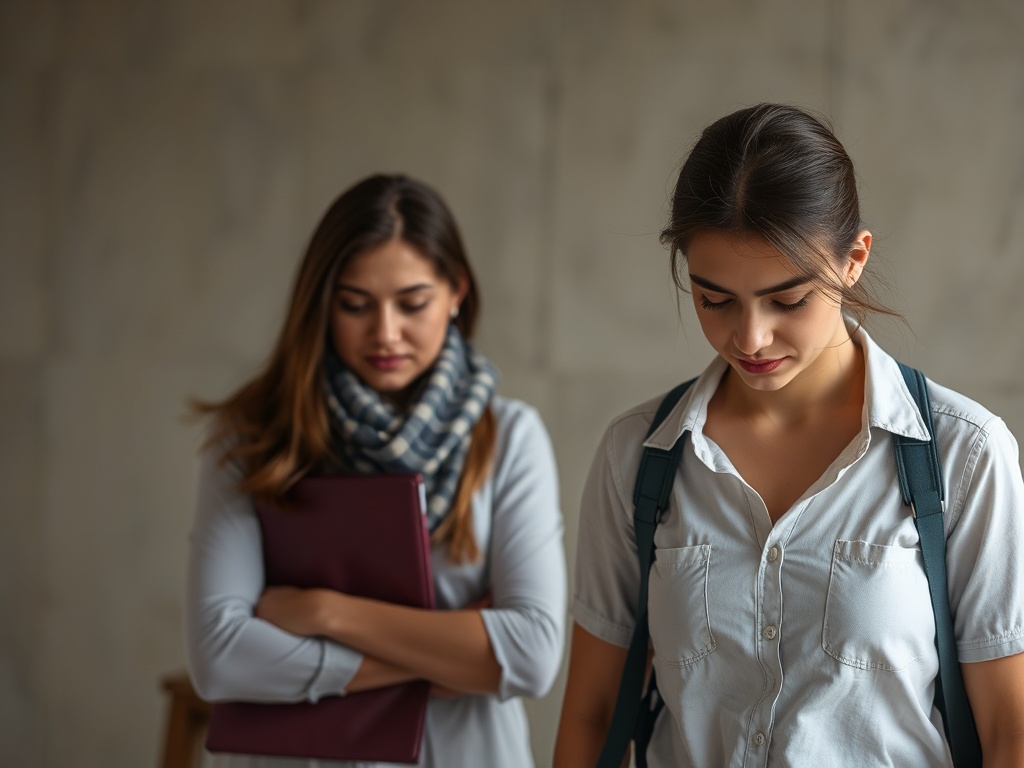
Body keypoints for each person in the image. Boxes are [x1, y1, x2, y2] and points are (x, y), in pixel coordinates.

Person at [553, 103, 1024, 766]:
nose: (750, 338)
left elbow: (1009, 731)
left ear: (854, 259)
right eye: (715, 299)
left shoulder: (964, 454)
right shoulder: (638, 455)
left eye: (788, 300)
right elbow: (593, 714)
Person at [186, 173, 566, 768]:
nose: (385, 332)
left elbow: (533, 655)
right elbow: (219, 658)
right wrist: (452, 650)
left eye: (412, 303)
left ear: (456, 291)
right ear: (323, 302)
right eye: (355, 304)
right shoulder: (253, 435)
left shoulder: (510, 436)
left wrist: (325, 613)